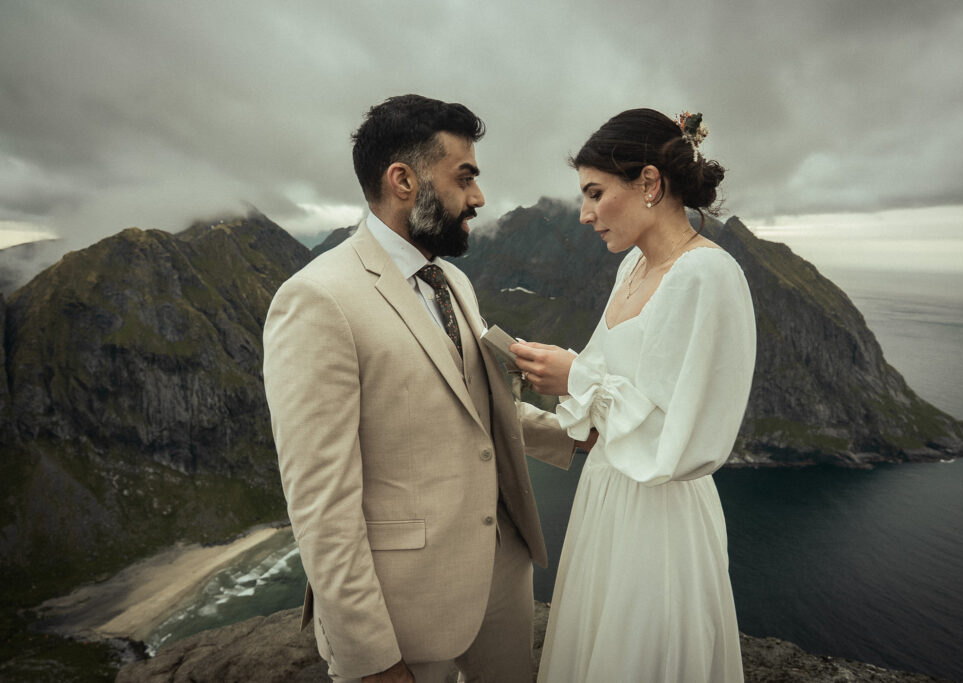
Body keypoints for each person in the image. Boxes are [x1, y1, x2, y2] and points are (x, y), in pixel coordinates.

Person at [262, 95, 587, 683]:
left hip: (501, 577)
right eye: (465, 178)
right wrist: (371, 660)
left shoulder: (454, 279)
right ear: (404, 180)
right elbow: (320, 503)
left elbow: (478, 407)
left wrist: (576, 436)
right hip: (404, 607)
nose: (479, 198)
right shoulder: (316, 300)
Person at [511, 108, 756, 682]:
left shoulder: (707, 276)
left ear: (649, 183)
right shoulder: (634, 270)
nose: (584, 213)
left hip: (660, 516)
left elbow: (688, 439)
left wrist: (575, 378)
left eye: (595, 193)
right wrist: (561, 371)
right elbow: (607, 391)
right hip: (609, 497)